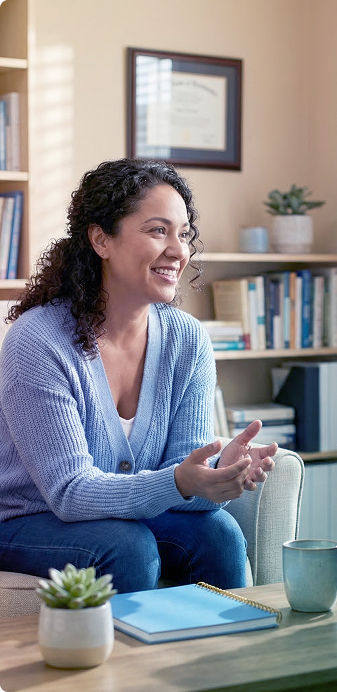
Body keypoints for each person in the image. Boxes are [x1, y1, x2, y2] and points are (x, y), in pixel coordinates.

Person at [0, 158, 277, 593]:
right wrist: (181, 482)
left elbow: (181, 467)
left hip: (120, 516)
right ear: (100, 240)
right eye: (157, 230)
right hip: (29, 518)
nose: (178, 250)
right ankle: (124, 663)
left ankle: (222, 660)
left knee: (219, 535)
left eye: (183, 233)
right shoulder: (39, 340)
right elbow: (70, 493)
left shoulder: (188, 340)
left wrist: (216, 471)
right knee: (127, 547)